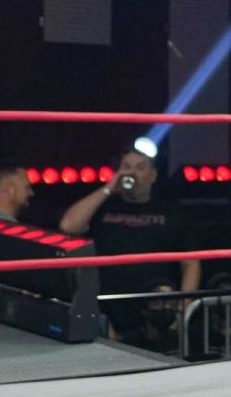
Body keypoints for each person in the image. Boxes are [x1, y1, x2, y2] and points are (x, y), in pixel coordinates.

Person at [58, 145, 203, 348]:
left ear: (153, 176)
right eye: (126, 166)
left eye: (140, 167)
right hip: (108, 309)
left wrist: (183, 307)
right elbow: (69, 226)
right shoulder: (104, 206)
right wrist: (108, 188)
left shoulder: (171, 212)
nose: (131, 172)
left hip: (153, 314)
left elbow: (191, 263)